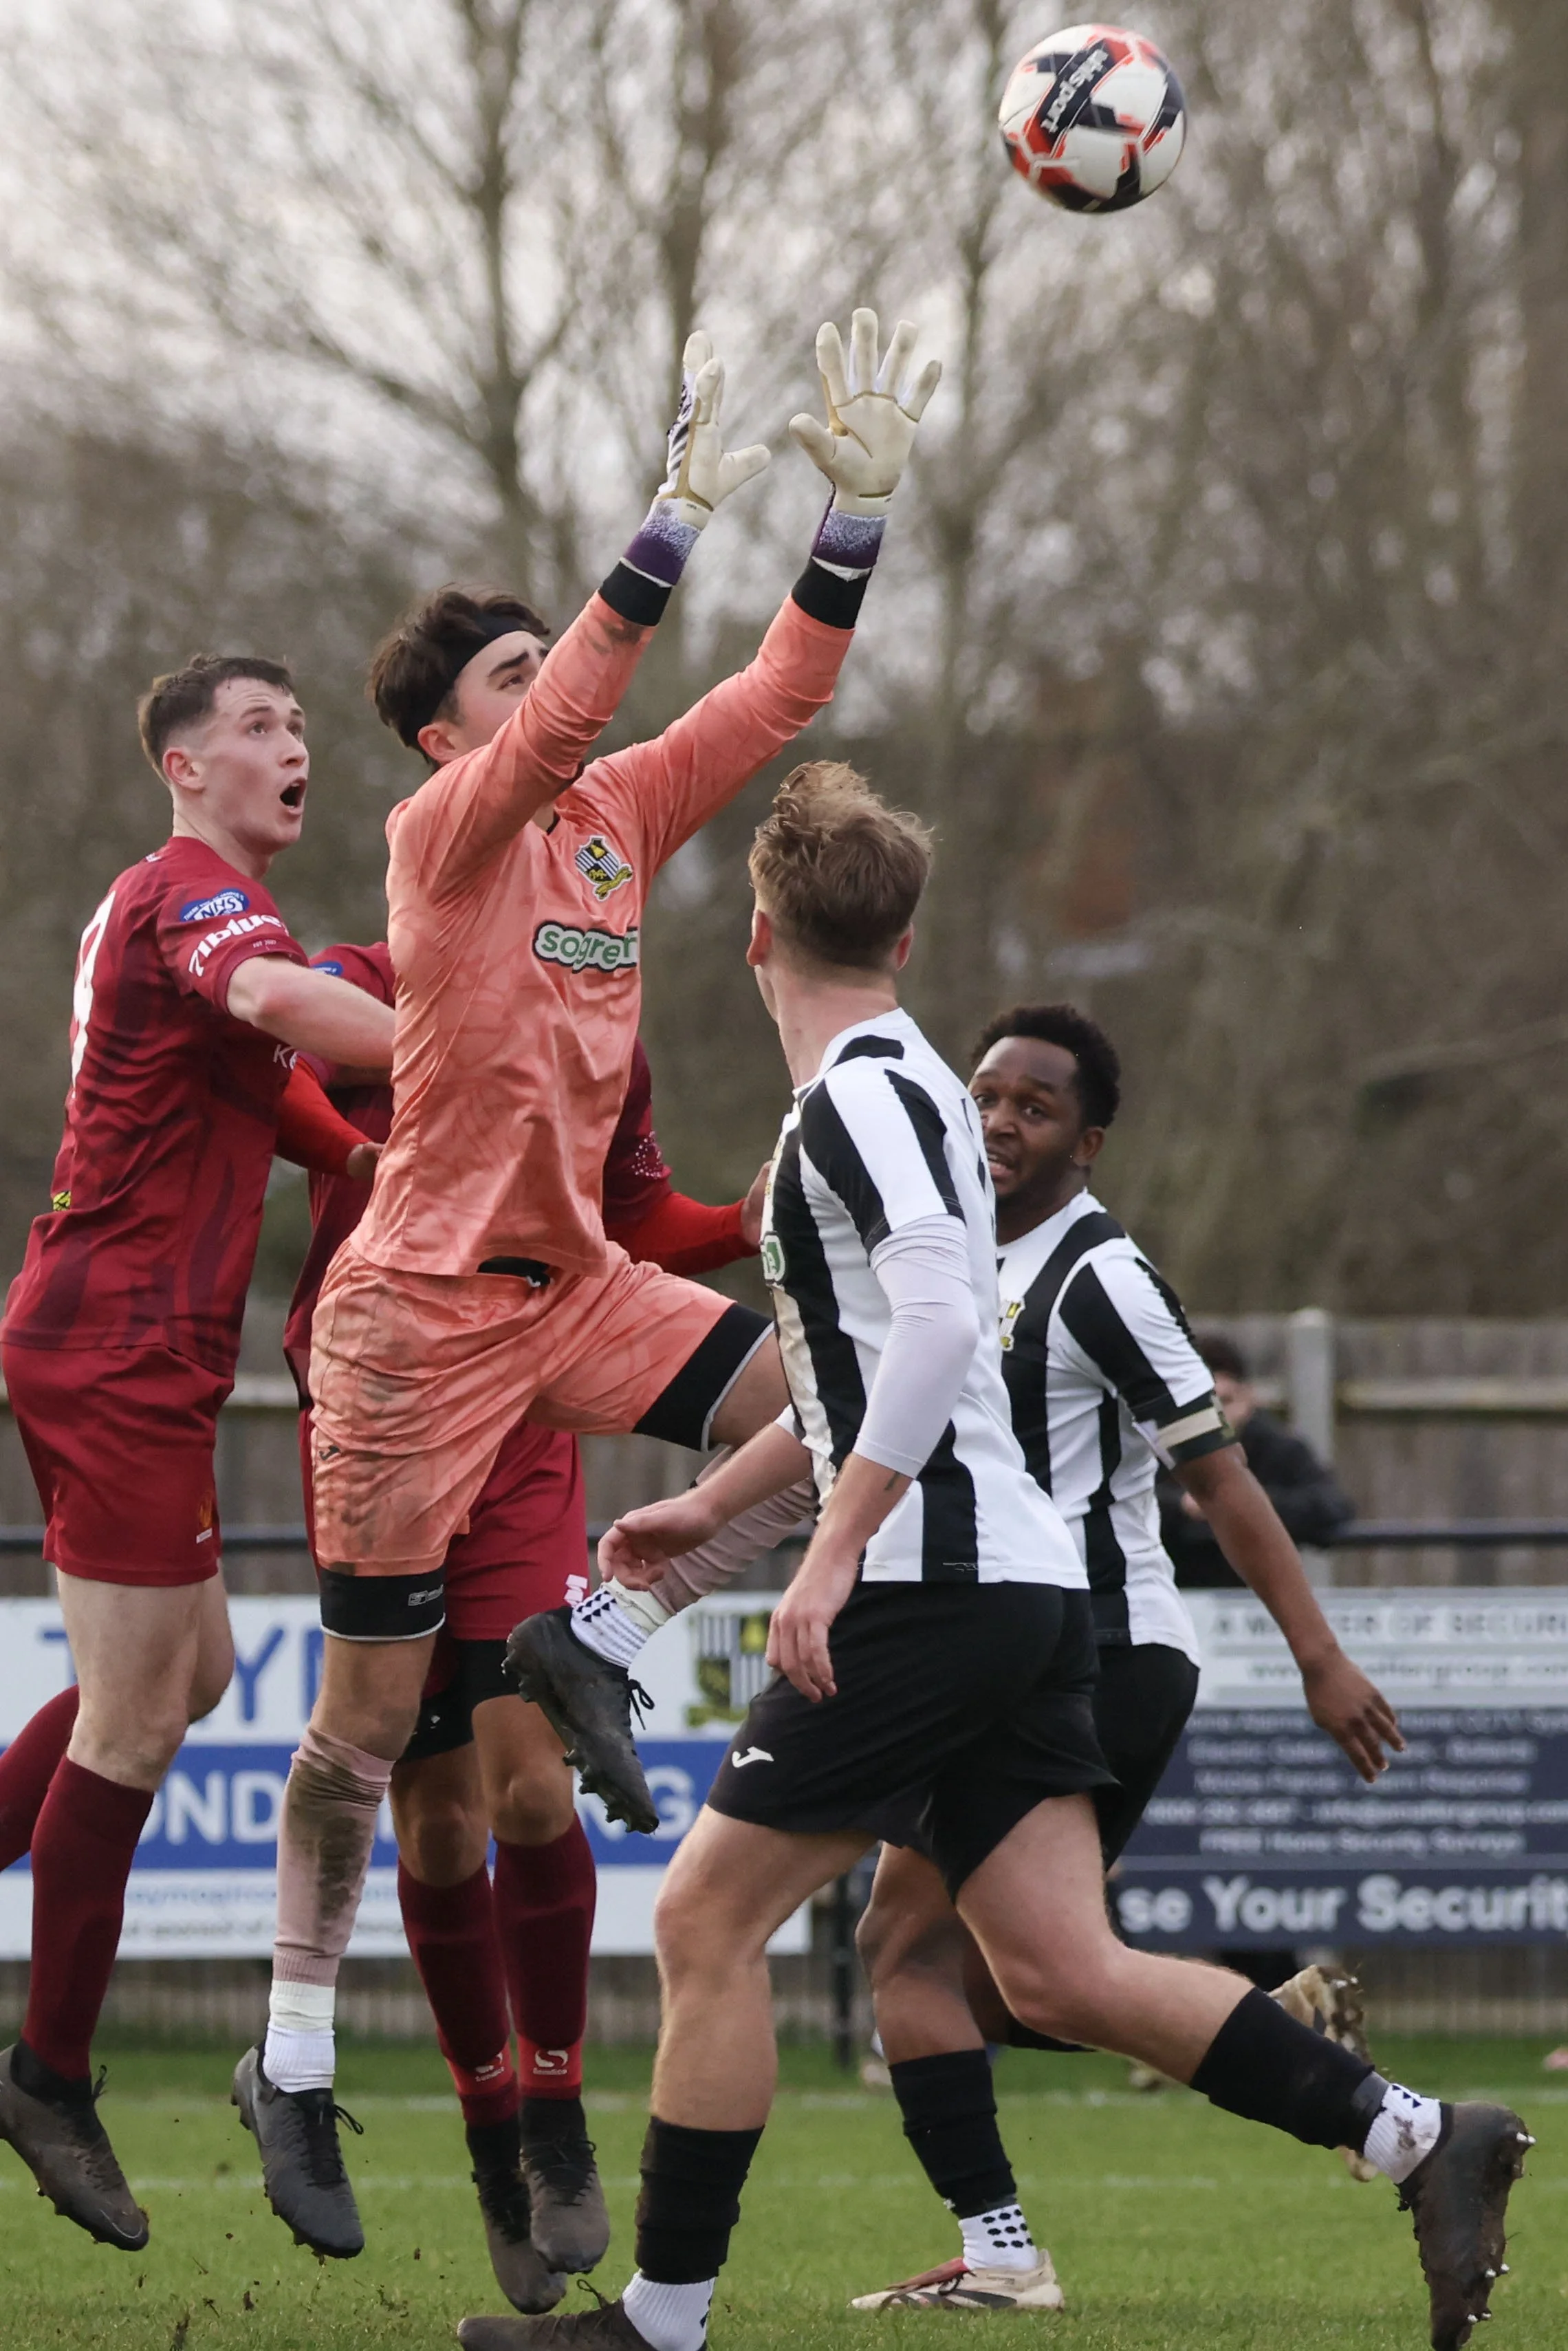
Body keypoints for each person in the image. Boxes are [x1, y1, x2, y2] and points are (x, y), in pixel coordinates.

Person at [459, 763, 1532, 2351]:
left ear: (755, 934)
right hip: (1022, 1595)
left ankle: (658, 2323)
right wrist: (710, 1512)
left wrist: (826, 1555)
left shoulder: (861, 1100)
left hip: (932, 1594)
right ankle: (1414, 2134)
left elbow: (946, 1328)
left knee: (701, 1925)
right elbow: (906, 1364)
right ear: (900, 937)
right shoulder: (908, 1092)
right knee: (1051, 1968)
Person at [235, 312, 942, 2261]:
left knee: (853, 1403)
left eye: (554, 650)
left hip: (577, 1289)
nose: (554, 682)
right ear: (452, 730)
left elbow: (780, 688)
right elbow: (574, 713)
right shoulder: (438, 830)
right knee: (368, 1739)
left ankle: (596, 1636)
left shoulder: (617, 818)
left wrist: (850, 513)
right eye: (515, 666)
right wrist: (662, 517)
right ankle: (291, 2053)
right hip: (416, 1319)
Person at [847, 1001, 1395, 2308]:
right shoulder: (944, 1257)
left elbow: (1226, 1480)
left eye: (1032, 1106)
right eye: (984, 1095)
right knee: (1009, 1981)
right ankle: (1265, 2020)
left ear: (1086, 1142)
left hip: (1103, 1650)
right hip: (1001, 1652)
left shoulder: (1103, 1276)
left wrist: (1319, 1656)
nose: (997, 1121)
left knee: (934, 1956)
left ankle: (1006, 2251)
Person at [284, 931, 764, 2306]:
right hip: (380, 1417)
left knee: (535, 1788)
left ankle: (555, 2113)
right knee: (430, 1820)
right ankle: (493, 2138)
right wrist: (373, 1157)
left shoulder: (600, 1001)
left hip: (525, 1433)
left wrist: (743, 1219)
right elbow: (279, 1098)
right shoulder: (361, 975)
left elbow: (636, 1220)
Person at [0, 653, 395, 2251]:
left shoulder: (180, 908)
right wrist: (462, 1041)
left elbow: (281, 1092)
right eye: (256, 728)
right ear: (183, 766)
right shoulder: (192, 900)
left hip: (128, 1342)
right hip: (113, 1345)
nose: (290, 748)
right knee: (141, 1712)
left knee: (198, 1672)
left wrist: (379, 1145)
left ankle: (45, 2062)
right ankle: (50, 2070)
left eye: (298, 728)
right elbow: (286, 1011)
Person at [1162, 1331, 1355, 1588]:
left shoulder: (1279, 1449)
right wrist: (1182, 1507)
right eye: (1203, 1406)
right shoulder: (1162, 1449)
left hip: (1261, 1611)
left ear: (1248, 1398)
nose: (1217, 1417)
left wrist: (1250, 1502)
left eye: (1225, 1402)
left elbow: (1332, 1507)